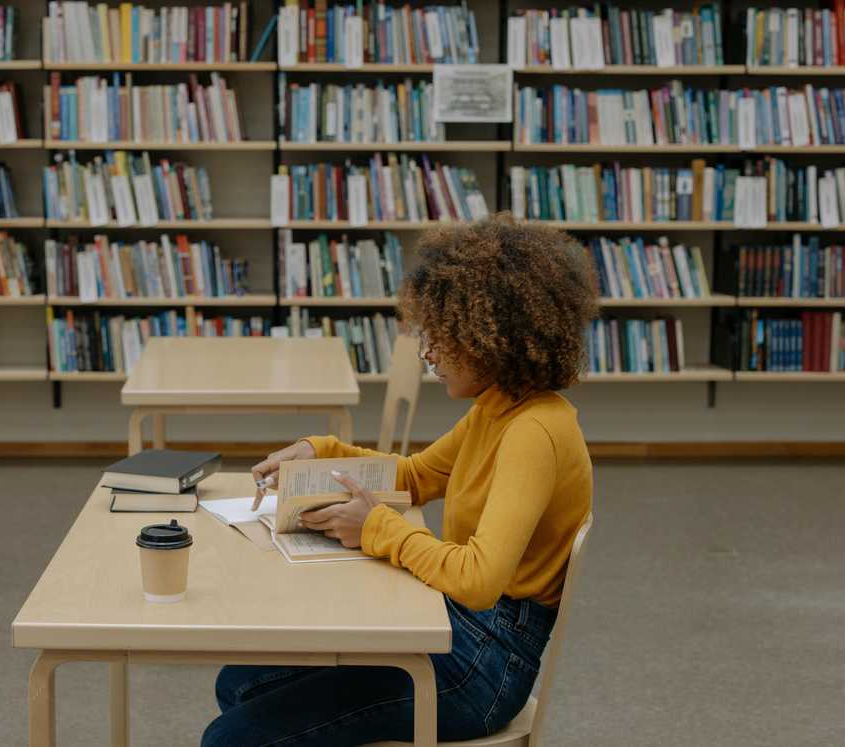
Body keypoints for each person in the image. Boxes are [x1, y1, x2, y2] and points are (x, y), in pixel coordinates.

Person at [201, 214, 599, 746]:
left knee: (231, 738)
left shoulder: (535, 432)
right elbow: (415, 477)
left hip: (483, 664)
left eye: (445, 337)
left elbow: (480, 580)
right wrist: (318, 451)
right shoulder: (498, 408)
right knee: (242, 683)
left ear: (493, 338)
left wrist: (378, 528)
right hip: (459, 626)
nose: (430, 354)